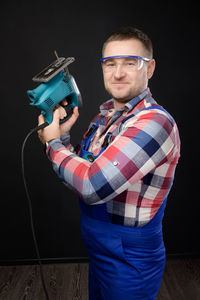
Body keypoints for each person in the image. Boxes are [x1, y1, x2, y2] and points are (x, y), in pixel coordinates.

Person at [38, 27, 180, 300]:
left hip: (131, 258)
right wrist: (63, 137)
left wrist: (53, 144)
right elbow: (79, 173)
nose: (118, 73)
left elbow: (92, 185)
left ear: (149, 68)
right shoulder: (102, 119)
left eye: (130, 63)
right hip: (98, 247)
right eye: (110, 64)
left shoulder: (155, 123)